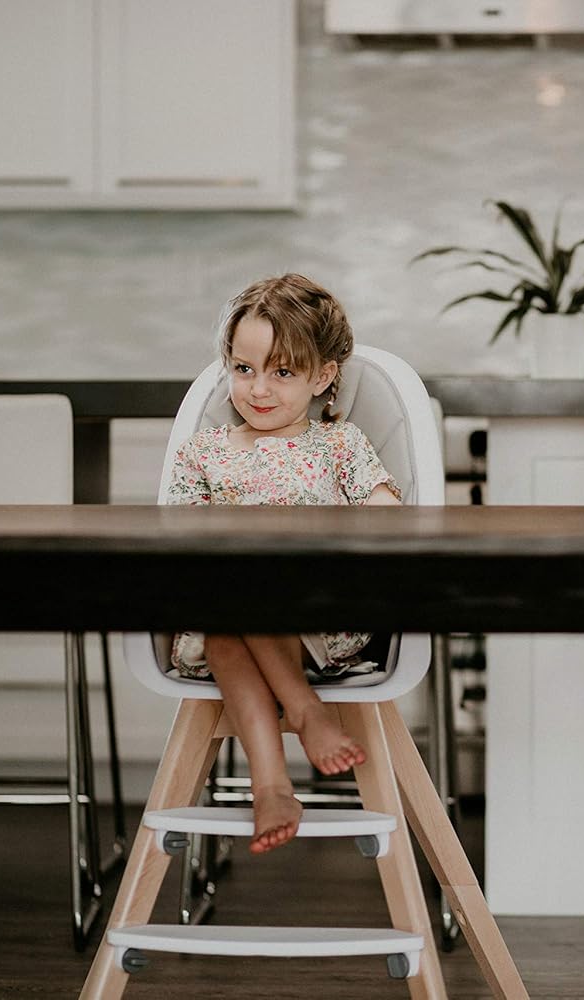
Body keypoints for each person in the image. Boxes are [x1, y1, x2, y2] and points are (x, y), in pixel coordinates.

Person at [165, 273, 401, 854]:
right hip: (226, 612)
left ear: (323, 377)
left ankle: (289, 741)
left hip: (319, 615)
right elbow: (179, 539)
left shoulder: (340, 444)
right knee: (227, 617)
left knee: (246, 601)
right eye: (244, 368)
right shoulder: (203, 453)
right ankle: (278, 772)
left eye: (284, 372)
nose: (259, 388)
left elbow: (388, 520)